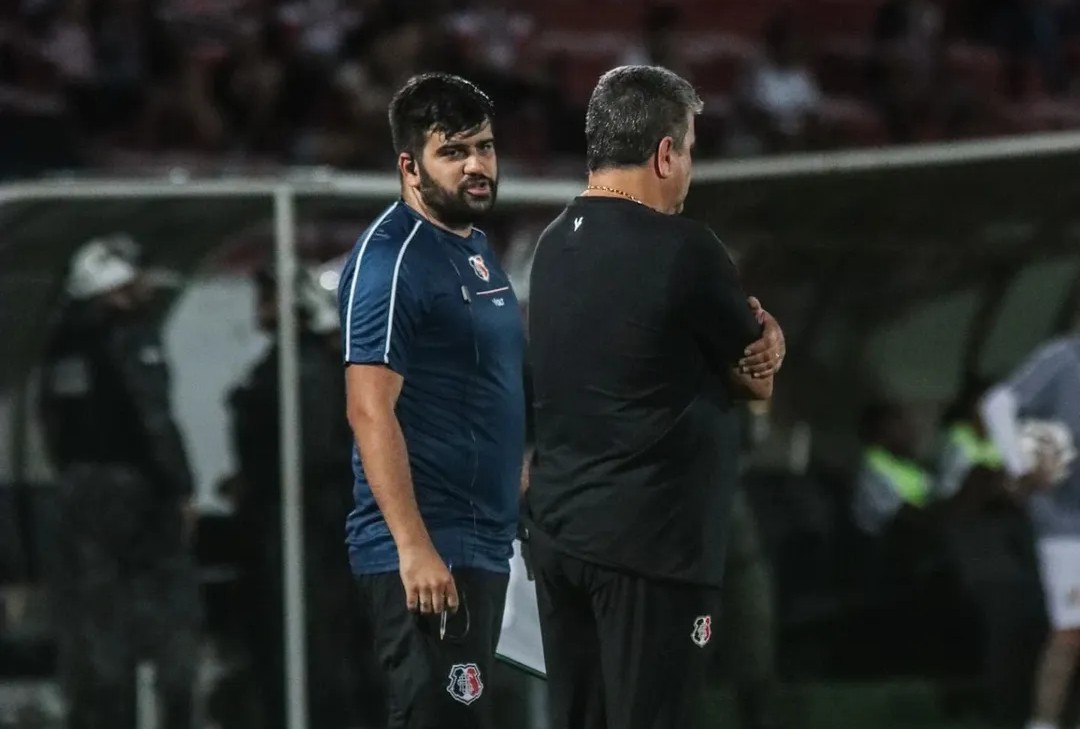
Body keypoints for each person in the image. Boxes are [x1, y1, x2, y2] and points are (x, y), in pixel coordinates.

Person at [522, 65, 786, 729]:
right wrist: (771, 338)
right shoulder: (685, 250)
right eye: (690, 147)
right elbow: (756, 384)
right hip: (652, 546)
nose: (691, 167)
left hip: (562, 538)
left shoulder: (552, 247)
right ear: (665, 153)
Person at [337, 72, 525, 729]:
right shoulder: (392, 261)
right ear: (409, 166)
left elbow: (485, 384)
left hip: (484, 542)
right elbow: (368, 408)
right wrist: (414, 545)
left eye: (486, 147)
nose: (478, 165)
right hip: (428, 548)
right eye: (455, 151)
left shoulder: (472, 245)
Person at [38, 235, 201, 729]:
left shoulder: (61, 340)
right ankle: (166, 713)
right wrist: (181, 487)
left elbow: (51, 423)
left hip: (77, 490)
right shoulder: (131, 337)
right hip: (132, 493)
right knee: (164, 611)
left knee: (93, 617)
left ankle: (99, 714)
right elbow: (153, 418)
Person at [222, 264, 360, 729]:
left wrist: (259, 483)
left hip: (309, 528)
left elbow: (312, 453)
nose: (257, 309)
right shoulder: (293, 365)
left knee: (312, 640)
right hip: (300, 523)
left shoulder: (302, 370)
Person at [980, 334, 1080, 729]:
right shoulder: (1063, 359)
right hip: (1065, 522)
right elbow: (997, 405)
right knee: (1071, 633)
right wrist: (1019, 468)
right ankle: (1043, 722)